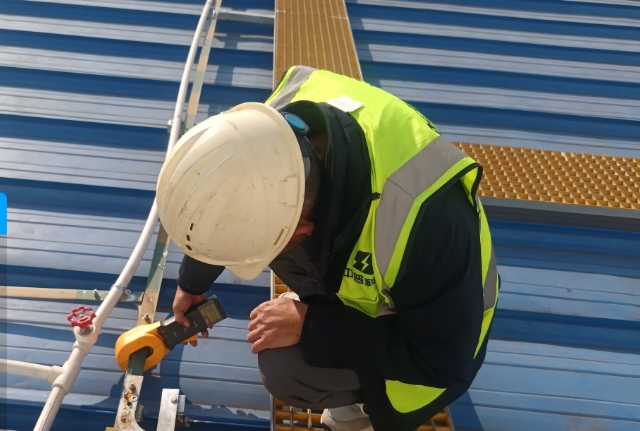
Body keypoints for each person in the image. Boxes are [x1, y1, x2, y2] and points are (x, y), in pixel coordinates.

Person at [156, 66, 499, 431]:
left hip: (436, 337)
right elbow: (224, 194)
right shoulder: (270, 132)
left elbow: (444, 360)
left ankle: (361, 416)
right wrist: (192, 282)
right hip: (364, 267)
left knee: (286, 368)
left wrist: (312, 326)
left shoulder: (426, 224)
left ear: (303, 227)